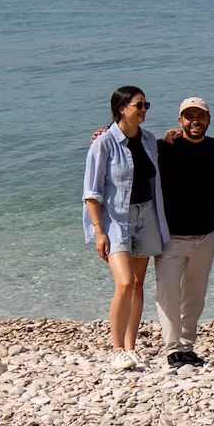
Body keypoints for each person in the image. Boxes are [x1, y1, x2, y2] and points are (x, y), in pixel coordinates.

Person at [82, 87, 168, 371]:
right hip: (115, 220)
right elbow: (91, 192)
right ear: (122, 108)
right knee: (125, 283)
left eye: (146, 104)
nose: (144, 109)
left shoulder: (147, 139)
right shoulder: (104, 143)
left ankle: (131, 348)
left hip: (147, 215)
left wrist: (172, 137)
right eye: (139, 105)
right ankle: (116, 348)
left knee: (139, 284)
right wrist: (99, 231)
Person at [152, 97, 214, 367]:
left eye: (200, 116)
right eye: (189, 117)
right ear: (180, 120)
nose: (195, 121)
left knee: (195, 294)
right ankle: (172, 348)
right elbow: (129, 147)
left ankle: (187, 346)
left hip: (206, 235)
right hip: (170, 237)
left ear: (208, 119)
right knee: (167, 293)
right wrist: (103, 135)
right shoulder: (164, 147)